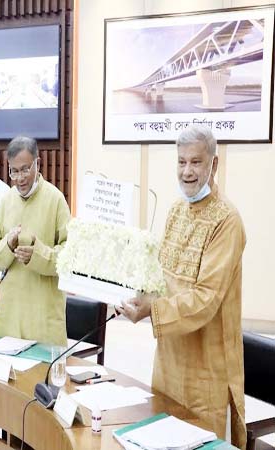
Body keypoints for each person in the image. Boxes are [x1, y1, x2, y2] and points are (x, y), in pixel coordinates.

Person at [117, 125, 246, 447]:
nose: (187, 171)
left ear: (214, 164)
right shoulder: (176, 209)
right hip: (167, 364)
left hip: (205, 371)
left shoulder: (227, 220)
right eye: (181, 162)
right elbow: (160, 277)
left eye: (196, 162)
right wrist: (137, 298)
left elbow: (206, 300)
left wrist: (153, 310)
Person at [0, 136, 70, 345]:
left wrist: (37, 254)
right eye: (14, 171)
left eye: (25, 169)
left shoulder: (56, 199)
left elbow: (71, 256)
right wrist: (8, 244)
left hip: (43, 315)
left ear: (37, 164)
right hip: (11, 312)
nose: (20, 178)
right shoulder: (7, 200)